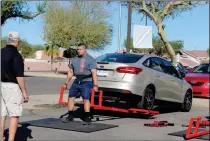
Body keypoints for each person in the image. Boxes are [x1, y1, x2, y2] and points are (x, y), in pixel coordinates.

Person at [1, 32, 29, 141]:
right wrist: (24, 92)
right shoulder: (16, 55)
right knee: (14, 114)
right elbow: (19, 76)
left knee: (2, 113)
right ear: (16, 40)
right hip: (11, 87)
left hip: (1, 85)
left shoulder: (1, 52)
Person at [62, 43, 98, 125]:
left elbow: (94, 73)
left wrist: (95, 85)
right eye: (77, 49)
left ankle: (87, 117)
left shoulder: (90, 59)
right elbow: (71, 72)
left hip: (87, 81)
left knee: (86, 98)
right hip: (76, 81)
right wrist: (66, 83)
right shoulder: (74, 59)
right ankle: (70, 116)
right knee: (71, 97)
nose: (78, 51)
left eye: (80, 49)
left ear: (85, 50)